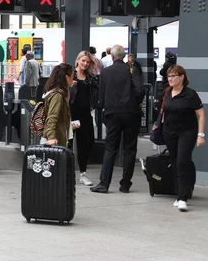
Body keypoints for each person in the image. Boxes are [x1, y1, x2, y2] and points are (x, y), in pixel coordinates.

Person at [91, 45, 144, 194]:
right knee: (130, 148)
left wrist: (103, 106)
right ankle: (125, 184)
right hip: (131, 113)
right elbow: (140, 90)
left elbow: (100, 96)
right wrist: (134, 101)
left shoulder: (106, 73)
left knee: (110, 148)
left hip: (112, 113)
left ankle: (104, 184)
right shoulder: (132, 70)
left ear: (113, 57)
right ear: (124, 56)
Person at [161, 65, 205, 212]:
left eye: (174, 76)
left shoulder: (190, 94)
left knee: (182, 162)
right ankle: (179, 193)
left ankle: (182, 198)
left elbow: (201, 115)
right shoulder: (167, 92)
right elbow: (164, 111)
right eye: (169, 76)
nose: (171, 79)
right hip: (169, 132)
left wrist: (201, 135)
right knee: (174, 162)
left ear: (182, 77)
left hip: (187, 132)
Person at [69, 51, 99, 186]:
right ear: (78, 60)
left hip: (85, 115)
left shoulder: (90, 77)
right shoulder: (70, 75)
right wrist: (69, 86)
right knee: (69, 143)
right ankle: (68, 172)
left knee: (87, 143)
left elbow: (97, 91)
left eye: (88, 62)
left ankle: (83, 173)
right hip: (72, 115)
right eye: (83, 61)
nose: (85, 64)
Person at [42, 63, 76, 148]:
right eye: (72, 76)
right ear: (66, 77)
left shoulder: (54, 91)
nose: (73, 79)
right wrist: (51, 137)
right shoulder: (57, 95)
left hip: (57, 137)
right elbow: (52, 117)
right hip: (55, 140)